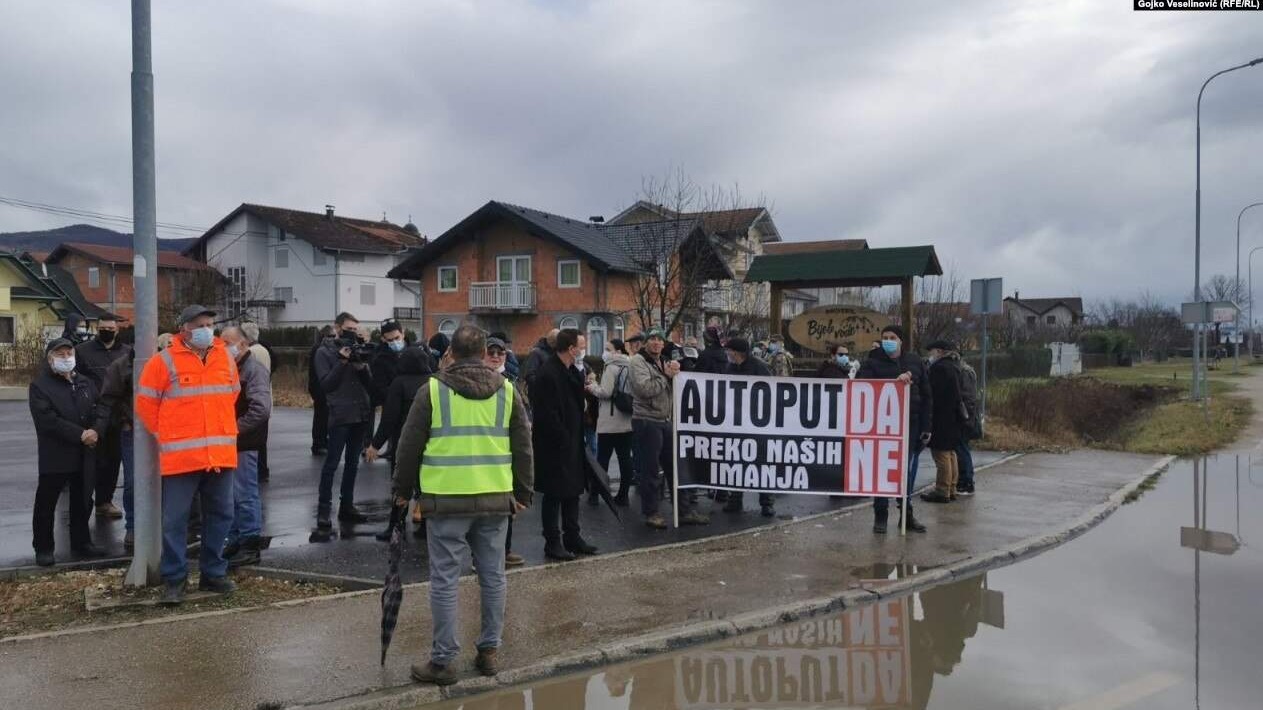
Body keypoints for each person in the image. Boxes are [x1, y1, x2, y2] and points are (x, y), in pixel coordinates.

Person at [391, 325, 533, 686]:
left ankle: (443, 661)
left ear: (450, 353)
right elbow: (523, 446)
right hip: (495, 502)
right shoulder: (506, 391)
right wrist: (523, 493)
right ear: (486, 352)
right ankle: (489, 652)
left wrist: (402, 490)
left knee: (445, 581)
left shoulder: (433, 391)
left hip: (446, 502)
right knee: (493, 577)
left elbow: (409, 446)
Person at [135, 305, 240, 604]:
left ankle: (213, 573)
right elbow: (146, 404)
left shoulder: (224, 358)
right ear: (184, 329)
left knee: (221, 515)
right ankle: (175, 579)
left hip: (219, 455)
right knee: (175, 520)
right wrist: (167, 434)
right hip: (181, 458)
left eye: (209, 323)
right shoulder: (163, 361)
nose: (208, 328)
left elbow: (232, 395)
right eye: (200, 324)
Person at [30, 338, 106, 566]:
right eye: (60, 354)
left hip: (85, 453)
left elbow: (100, 408)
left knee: (83, 500)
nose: (66, 358)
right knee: (47, 503)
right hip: (56, 454)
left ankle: (82, 542)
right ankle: (44, 547)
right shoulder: (40, 386)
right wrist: (80, 434)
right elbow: (47, 420)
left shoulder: (84, 382)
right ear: (50, 358)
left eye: (68, 353)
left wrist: (96, 430)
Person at [630, 328, 709, 529]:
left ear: (664, 343)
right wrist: (666, 376)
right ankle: (651, 512)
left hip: (666, 420)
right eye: (652, 339)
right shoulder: (638, 362)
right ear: (645, 342)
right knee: (650, 470)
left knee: (676, 467)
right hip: (647, 421)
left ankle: (683, 511)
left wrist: (677, 375)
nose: (656, 343)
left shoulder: (663, 360)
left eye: (659, 339)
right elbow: (644, 389)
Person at [531, 328, 597, 561]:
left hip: (571, 441)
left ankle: (573, 536)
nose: (583, 350)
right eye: (581, 346)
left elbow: (578, 400)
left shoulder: (569, 370)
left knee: (573, 491)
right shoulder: (548, 373)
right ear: (571, 349)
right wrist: (563, 437)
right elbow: (546, 414)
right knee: (554, 495)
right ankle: (553, 541)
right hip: (555, 445)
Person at [857, 325, 930, 535]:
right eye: (885, 337)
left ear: (901, 341)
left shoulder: (915, 361)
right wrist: (893, 382)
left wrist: (927, 426)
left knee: (904, 472)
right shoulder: (872, 362)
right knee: (883, 472)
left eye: (892, 337)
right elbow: (862, 387)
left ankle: (906, 515)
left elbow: (927, 395)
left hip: (911, 424)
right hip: (883, 426)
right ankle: (880, 515)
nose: (888, 340)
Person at [312, 312, 374, 528]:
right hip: (339, 413)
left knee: (352, 463)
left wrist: (362, 365)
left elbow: (370, 383)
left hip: (360, 412)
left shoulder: (359, 349)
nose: (351, 333)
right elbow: (326, 385)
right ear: (337, 328)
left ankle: (347, 506)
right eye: (348, 329)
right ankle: (323, 510)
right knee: (331, 464)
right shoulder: (324, 352)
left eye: (355, 330)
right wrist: (342, 362)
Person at [220, 326, 272, 568]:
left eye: (228, 342)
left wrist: (233, 428)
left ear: (242, 344)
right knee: (232, 494)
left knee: (245, 493)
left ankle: (250, 542)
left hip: (244, 441)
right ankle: (236, 539)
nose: (223, 346)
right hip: (232, 440)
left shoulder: (253, 370)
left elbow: (260, 409)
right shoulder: (231, 367)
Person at [367, 346, 433, 536]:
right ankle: (425, 526)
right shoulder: (433, 382)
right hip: (430, 442)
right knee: (425, 485)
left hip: (404, 442)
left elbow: (389, 417)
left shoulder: (399, 383)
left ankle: (396, 525)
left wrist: (375, 444)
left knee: (400, 483)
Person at [74, 316, 131, 521]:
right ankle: (82, 503)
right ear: (97, 329)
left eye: (111, 328)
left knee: (113, 460)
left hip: (117, 415)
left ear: (117, 330)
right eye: (103, 328)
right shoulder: (83, 351)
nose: (107, 330)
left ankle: (104, 501)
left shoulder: (126, 352)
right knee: (91, 462)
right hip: (91, 414)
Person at [721, 338, 777, 517]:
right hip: (736, 423)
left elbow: (770, 393)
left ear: (737, 352)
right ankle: (735, 500)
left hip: (757, 425)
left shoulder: (759, 368)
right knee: (736, 462)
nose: (727, 354)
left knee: (761, 464)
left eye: (729, 350)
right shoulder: (730, 368)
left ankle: (766, 503)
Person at [481, 336, 524, 566]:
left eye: (500, 353)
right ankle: (479, 557)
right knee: (483, 509)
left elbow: (522, 411)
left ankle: (504, 550)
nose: (496, 357)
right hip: (481, 450)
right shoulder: (475, 380)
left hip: (505, 450)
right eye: (491, 353)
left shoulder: (512, 380)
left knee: (506, 505)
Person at [94, 349, 136, 549]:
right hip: (133, 430)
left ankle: (160, 526)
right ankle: (134, 527)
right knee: (133, 482)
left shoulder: (166, 360)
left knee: (166, 483)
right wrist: (123, 421)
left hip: (164, 431)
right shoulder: (121, 366)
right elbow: (109, 399)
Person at [588, 339, 636, 507]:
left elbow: (605, 392)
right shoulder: (631, 366)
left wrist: (592, 386)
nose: (605, 352)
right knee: (625, 459)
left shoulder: (611, 367)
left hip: (609, 421)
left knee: (602, 459)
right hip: (627, 419)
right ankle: (623, 495)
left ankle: (595, 494)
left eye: (608, 349)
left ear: (617, 351)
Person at [921, 340, 964, 505]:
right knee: (950, 453)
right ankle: (951, 488)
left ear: (938, 351)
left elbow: (933, 393)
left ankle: (942, 490)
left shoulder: (940, 368)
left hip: (942, 417)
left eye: (931, 351)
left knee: (941, 455)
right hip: (952, 416)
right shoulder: (954, 366)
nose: (929, 355)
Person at [240, 322, 275, 482]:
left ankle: (260, 471)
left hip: (253, 401)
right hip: (265, 397)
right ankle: (263, 469)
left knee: (256, 441)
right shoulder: (264, 350)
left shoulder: (252, 353)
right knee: (262, 439)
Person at [369, 321, 408, 458]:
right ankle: (392, 450)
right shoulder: (380, 359)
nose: (394, 342)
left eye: (397, 338)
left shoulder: (415, 352)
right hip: (392, 402)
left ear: (403, 334)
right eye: (390, 340)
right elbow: (380, 385)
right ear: (383, 339)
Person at [953, 346, 981, 496]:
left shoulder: (964, 372)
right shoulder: (963, 370)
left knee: (962, 448)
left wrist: (965, 417)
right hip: (965, 415)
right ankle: (964, 479)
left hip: (965, 416)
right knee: (961, 448)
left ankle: (966, 481)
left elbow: (968, 398)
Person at [308, 325, 335, 455]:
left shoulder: (317, 348)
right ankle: (319, 443)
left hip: (319, 388)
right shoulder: (319, 350)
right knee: (321, 417)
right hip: (320, 389)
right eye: (332, 336)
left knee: (322, 417)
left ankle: (321, 442)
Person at [520, 327, 559, 399]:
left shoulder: (556, 353)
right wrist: (547, 383)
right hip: (539, 397)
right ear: (553, 343)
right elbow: (529, 376)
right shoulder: (536, 353)